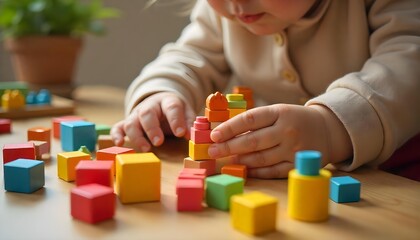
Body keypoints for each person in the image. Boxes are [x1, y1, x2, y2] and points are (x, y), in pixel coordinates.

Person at [111, 0, 420, 180]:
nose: (237, 4)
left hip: (396, 170)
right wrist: (161, 92)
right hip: (281, 180)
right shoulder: (221, 12)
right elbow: (190, 58)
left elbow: (409, 63)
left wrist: (331, 127)